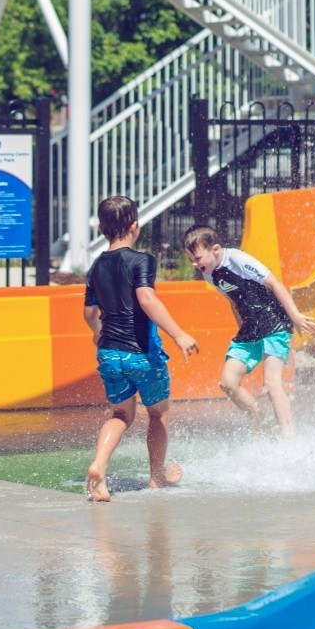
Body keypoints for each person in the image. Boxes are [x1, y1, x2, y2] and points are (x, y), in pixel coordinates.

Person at [83, 195, 200, 503]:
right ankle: (156, 476)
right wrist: (179, 334)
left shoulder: (95, 266)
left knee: (121, 413)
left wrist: (98, 334)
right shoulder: (142, 260)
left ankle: (99, 465)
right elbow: (147, 299)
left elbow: (89, 313)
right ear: (134, 226)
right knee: (158, 413)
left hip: (108, 353)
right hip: (142, 354)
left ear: (101, 227)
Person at [182, 225, 315, 437]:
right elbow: (233, 302)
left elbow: (275, 283)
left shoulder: (237, 259)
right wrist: (242, 331)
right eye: (191, 258)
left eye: (197, 258)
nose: (194, 264)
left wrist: (295, 315)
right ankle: (261, 424)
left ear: (215, 249)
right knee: (227, 382)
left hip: (275, 324)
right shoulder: (209, 274)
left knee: (272, 382)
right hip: (250, 330)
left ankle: (289, 440)